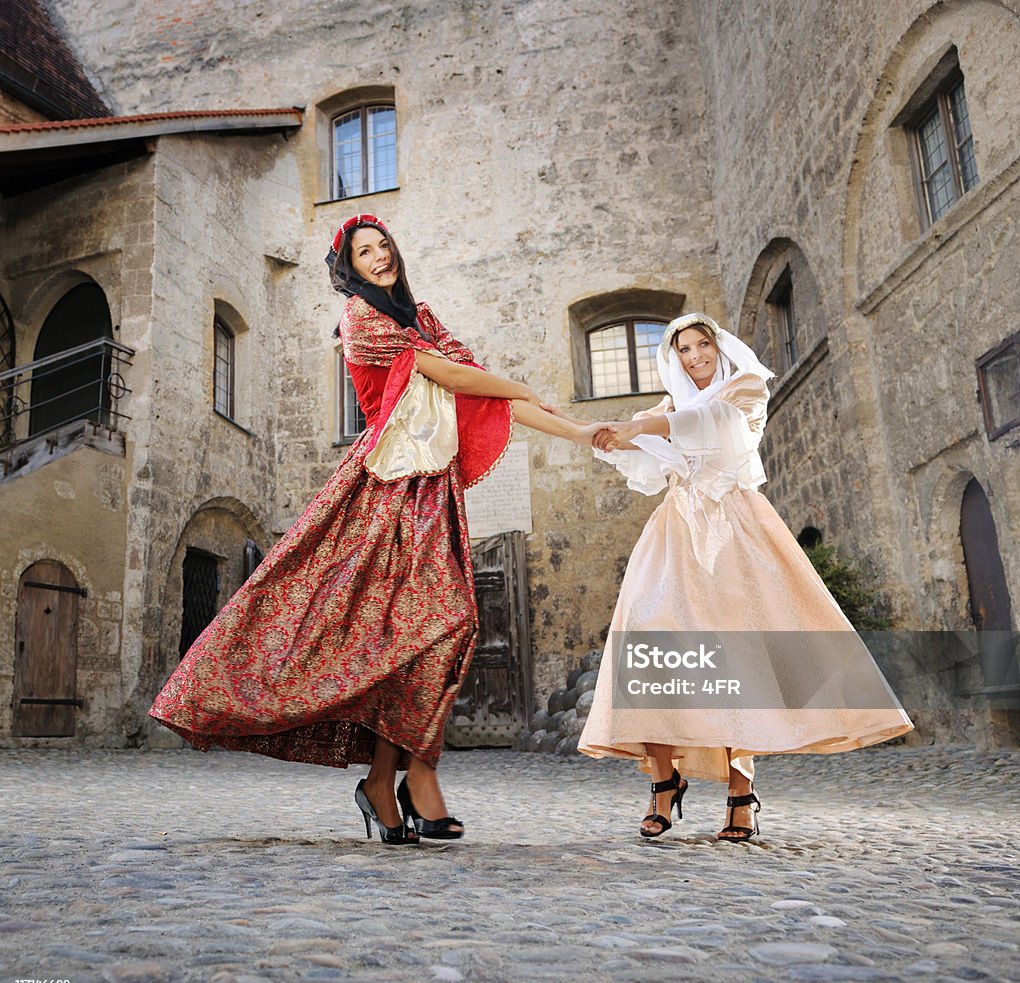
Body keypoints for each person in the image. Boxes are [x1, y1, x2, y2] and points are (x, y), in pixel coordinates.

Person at [150, 213, 602, 845]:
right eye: (365, 252)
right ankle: (404, 779)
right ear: (351, 268)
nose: (379, 256)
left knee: (433, 630)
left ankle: (392, 778)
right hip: (383, 490)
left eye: (383, 245)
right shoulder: (359, 321)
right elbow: (456, 377)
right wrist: (520, 382)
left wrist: (583, 431)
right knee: (423, 624)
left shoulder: (424, 319)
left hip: (432, 491)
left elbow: (489, 394)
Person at [575, 312, 913, 841]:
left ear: (718, 346)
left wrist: (640, 427)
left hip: (735, 528)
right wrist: (599, 432)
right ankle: (665, 781)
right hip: (675, 530)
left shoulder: (746, 387)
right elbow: (642, 447)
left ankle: (740, 790)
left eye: (701, 345)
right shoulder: (669, 405)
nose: (694, 357)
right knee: (647, 641)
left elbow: (714, 424)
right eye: (682, 350)